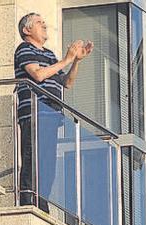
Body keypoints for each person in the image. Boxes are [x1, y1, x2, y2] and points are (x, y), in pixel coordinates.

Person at [15, 12, 93, 208]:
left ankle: (41, 202)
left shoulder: (49, 55)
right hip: (35, 112)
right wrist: (67, 59)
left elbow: (67, 82)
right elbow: (38, 75)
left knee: (48, 163)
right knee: (33, 157)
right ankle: (28, 202)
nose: (44, 25)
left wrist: (76, 61)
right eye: (39, 23)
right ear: (27, 30)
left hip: (51, 113)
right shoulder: (24, 49)